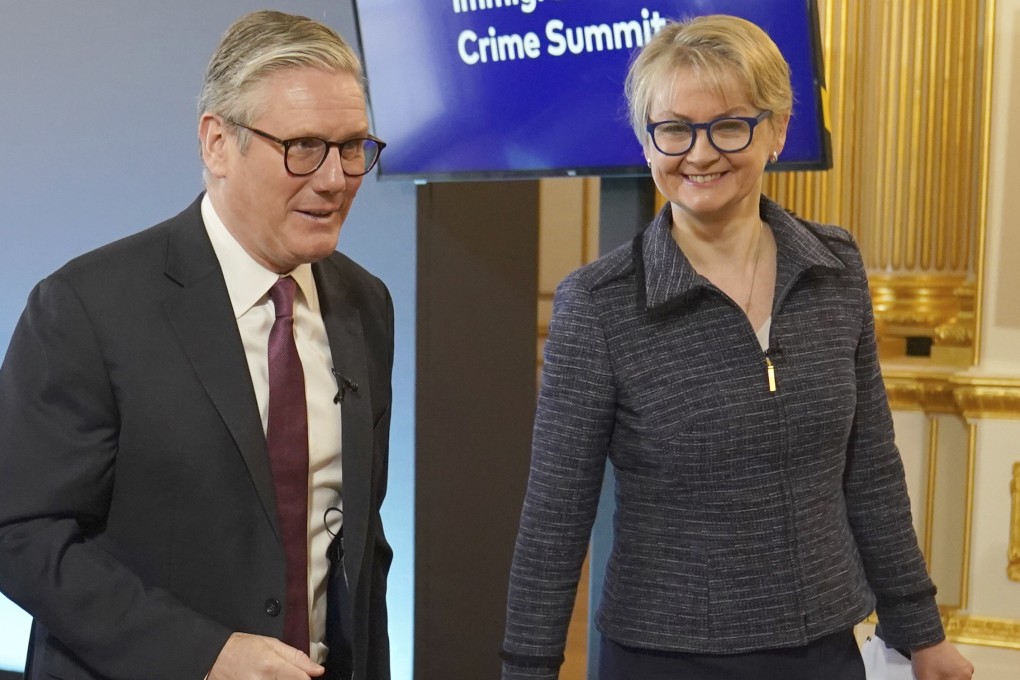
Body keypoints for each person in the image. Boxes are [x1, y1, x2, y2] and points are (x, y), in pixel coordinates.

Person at [501, 15, 974, 680]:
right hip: (666, 657)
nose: (699, 154)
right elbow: (555, 514)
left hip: (825, 651)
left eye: (729, 124)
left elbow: (870, 472)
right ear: (646, 141)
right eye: (673, 129)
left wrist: (921, 634)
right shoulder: (599, 303)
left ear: (777, 130)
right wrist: (527, 669)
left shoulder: (834, 268)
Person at [0, 10, 393, 680]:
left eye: (352, 146)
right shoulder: (88, 307)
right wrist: (204, 655)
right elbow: (20, 533)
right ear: (217, 142)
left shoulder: (365, 303)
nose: (334, 180)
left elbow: (360, 541)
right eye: (303, 146)